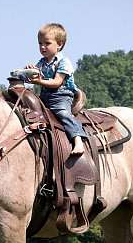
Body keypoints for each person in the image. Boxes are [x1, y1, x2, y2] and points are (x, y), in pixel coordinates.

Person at [25, 23, 87, 155]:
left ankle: (78, 140)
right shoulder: (41, 62)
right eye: (40, 43)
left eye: (47, 43)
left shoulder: (64, 62)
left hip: (61, 96)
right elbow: (36, 74)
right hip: (45, 96)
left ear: (59, 44)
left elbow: (57, 82)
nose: (42, 47)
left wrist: (39, 81)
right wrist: (30, 72)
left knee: (63, 114)